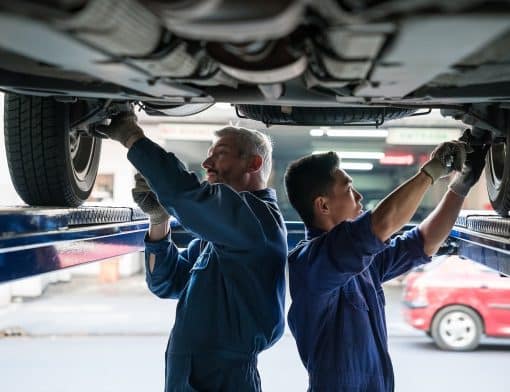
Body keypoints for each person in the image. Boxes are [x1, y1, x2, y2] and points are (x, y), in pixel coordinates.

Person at [283, 132, 488, 392]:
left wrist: (461, 185)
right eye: (347, 189)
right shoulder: (313, 262)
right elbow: (380, 224)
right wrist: (429, 173)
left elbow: (425, 241)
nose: (358, 196)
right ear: (323, 205)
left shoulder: (361, 262)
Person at [97, 112, 287, 392]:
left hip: (223, 380)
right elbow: (166, 281)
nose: (207, 164)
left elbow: (185, 195)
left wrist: (133, 139)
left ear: (254, 163)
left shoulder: (256, 221)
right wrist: (159, 220)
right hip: (193, 376)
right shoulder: (221, 234)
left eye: (220, 155)